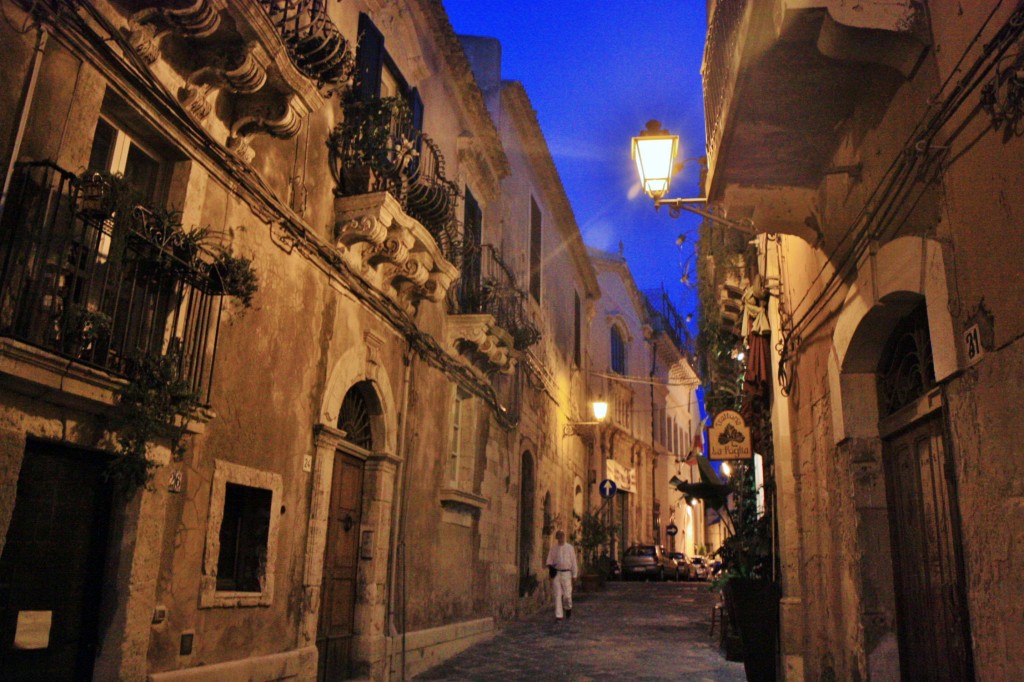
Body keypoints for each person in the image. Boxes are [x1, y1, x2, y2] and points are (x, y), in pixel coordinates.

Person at [545, 530, 578, 621]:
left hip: (567, 573)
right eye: (559, 536)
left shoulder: (570, 548)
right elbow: (549, 561)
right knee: (557, 594)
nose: (560, 538)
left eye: (562, 536)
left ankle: (568, 607)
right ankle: (559, 615)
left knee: (567, 594)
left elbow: (573, 562)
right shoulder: (553, 548)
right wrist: (551, 569)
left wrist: (574, 574)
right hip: (557, 573)